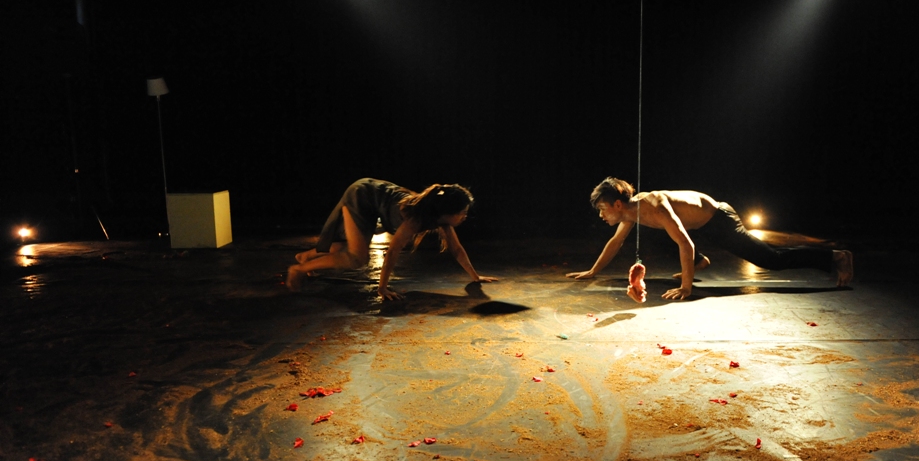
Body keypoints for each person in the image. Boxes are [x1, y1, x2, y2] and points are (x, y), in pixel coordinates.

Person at [566, 177, 853, 300]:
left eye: (602, 209)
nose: (601, 216)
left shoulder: (653, 205)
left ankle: (836, 258)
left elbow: (685, 243)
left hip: (719, 221)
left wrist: (686, 287)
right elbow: (615, 243)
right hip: (698, 225)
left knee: (771, 260)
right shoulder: (630, 213)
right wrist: (593, 271)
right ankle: (699, 261)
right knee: (662, 235)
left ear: (617, 204)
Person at [287, 178, 497, 300]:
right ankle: (298, 269)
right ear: (446, 211)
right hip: (362, 195)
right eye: (462, 212)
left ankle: (305, 257)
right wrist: (382, 288)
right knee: (357, 258)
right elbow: (393, 252)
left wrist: (475, 277)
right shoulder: (415, 219)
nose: (464, 217)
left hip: (374, 203)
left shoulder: (440, 219)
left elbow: (457, 249)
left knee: (341, 247)